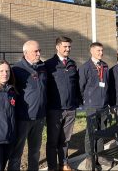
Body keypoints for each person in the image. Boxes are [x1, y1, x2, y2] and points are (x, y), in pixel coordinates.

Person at [7, 40, 47, 171]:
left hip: (39, 118)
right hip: (23, 119)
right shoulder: (17, 70)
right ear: (25, 53)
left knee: (35, 151)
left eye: (39, 50)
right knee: (16, 152)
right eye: (35, 51)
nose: (39, 53)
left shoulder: (42, 68)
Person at [45, 36, 80, 171]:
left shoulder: (72, 63)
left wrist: (76, 102)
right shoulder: (49, 65)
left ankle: (64, 164)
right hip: (55, 110)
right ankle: (52, 167)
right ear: (57, 47)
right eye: (65, 46)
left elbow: (76, 85)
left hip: (70, 109)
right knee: (53, 141)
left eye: (69, 46)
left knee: (65, 139)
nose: (67, 49)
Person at [79, 42, 113, 170]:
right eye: (98, 51)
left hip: (103, 105)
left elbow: (107, 84)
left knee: (101, 131)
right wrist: (87, 101)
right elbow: (80, 87)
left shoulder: (104, 66)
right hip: (92, 106)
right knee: (91, 133)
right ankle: (90, 158)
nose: (101, 53)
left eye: (102, 50)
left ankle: (100, 155)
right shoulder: (85, 67)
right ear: (91, 51)